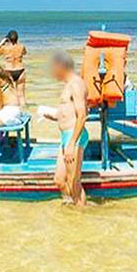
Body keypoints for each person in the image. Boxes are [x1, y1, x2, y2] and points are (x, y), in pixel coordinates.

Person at [41, 50, 87, 207]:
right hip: (66, 137)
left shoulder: (76, 84)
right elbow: (68, 113)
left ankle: (81, 215)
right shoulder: (68, 85)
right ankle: (72, 209)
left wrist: (72, 143)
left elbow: (82, 115)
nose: (52, 72)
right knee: (60, 180)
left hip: (74, 137)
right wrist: (52, 115)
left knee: (74, 182)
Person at [0, 30, 28, 106]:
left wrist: (2, 42)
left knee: (11, 94)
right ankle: (24, 111)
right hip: (20, 70)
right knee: (21, 95)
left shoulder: (5, 48)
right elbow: (25, 53)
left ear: (8, 39)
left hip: (9, 71)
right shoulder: (21, 47)